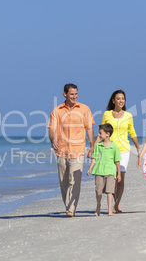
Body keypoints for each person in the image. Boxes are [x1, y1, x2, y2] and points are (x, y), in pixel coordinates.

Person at [48, 83, 95, 217]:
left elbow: (89, 128)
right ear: (65, 94)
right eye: (71, 94)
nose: (74, 96)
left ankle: (71, 207)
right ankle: (68, 204)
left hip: (78, 150)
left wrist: (91, 146)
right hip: (61, 150)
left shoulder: (84, 109)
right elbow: (51, 129)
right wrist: (53, 140)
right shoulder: (57, 110)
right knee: (63, 182)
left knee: (74, 180)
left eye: (76, 94)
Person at [95, 90, 141, 213]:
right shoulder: (107, 114)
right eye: (118, 98)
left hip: (124, 149)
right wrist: (94, 147)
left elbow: (132, 132)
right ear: (113, 100)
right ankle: (115, 202)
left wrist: (138, 148)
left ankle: (116, 204)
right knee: (111, 177)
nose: (121, 101)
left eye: (123, 99)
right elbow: (101, 132)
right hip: (109, 149)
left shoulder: (128, 116)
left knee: (120, 177)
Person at [87, 123, 121, 216]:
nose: (99, 135)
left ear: (107, 134)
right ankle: (98, 206)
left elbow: (117, 161)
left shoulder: (114, 147)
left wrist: (119, 174)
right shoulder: (98, 146)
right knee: (99, 192)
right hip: (99, 171)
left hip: (110, 172)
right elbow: (94, 158)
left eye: (100, 133)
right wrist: (90, 168)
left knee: (110, 191)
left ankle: (109, 210)